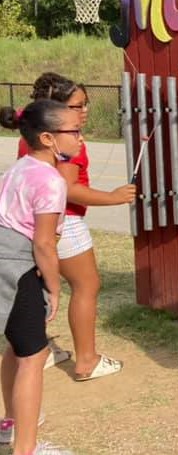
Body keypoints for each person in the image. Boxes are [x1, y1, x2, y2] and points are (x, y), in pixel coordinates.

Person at [17, 73, 135, 381]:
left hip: (36, 222)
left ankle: (38, 350)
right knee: (87, 286)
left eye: (85, 104)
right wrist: (113, 197)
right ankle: (86, 360)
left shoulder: (32, 134)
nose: (84, 111)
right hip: (64, 222)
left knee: (41, 288)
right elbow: (67, 188)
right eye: (76, 106)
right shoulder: (68, 141)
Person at [0, 99, 79, 455]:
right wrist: (54, 286)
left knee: (16, 350)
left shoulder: (20, 167)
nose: (79, 138)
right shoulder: (51, 181)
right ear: (48, 138)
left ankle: (11, 425)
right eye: (73, 131)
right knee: (33, 357)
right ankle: (26, 449)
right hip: (17, 269)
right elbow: (45, 244)